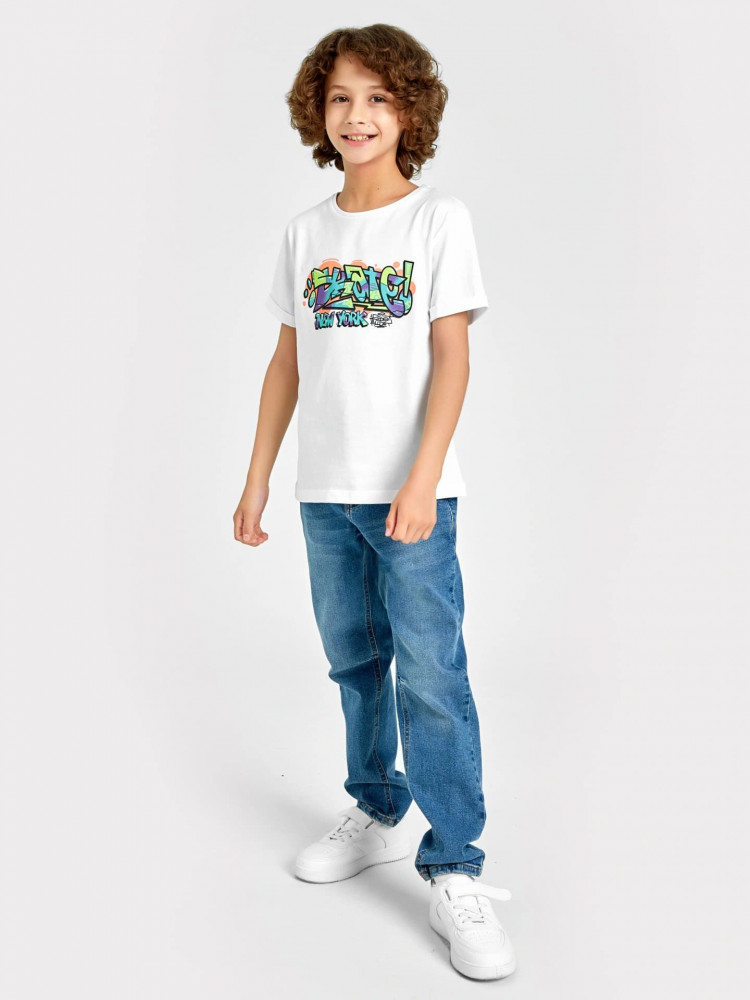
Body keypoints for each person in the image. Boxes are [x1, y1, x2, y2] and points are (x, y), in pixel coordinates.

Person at [233, 23, 517, 982]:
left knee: (431, 673)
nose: (358, 116)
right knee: (355, 663)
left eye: (379, 98)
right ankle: (378, 807)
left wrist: (423, 477)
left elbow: (452, 355)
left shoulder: (437, 219)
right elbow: (286, 363)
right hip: (326, 494)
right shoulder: (305, 233)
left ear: (409, 112)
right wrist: (258, 475)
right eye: (341, 98)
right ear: (318, 111)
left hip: (411, 496)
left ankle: (456, 864)